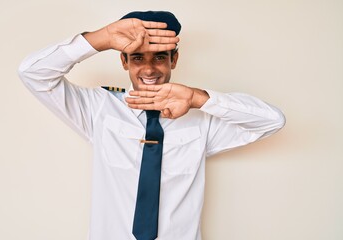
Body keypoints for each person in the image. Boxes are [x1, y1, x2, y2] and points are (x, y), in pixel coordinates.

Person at [18, 11, 285, 240]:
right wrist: (100, 39)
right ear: (123, 61)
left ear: (174, 60)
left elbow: (272, 121)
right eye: (137, 58)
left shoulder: (202, 120)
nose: (148, 69)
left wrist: (198, 98)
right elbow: (32, 74)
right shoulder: (98, 109)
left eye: (159, 57)